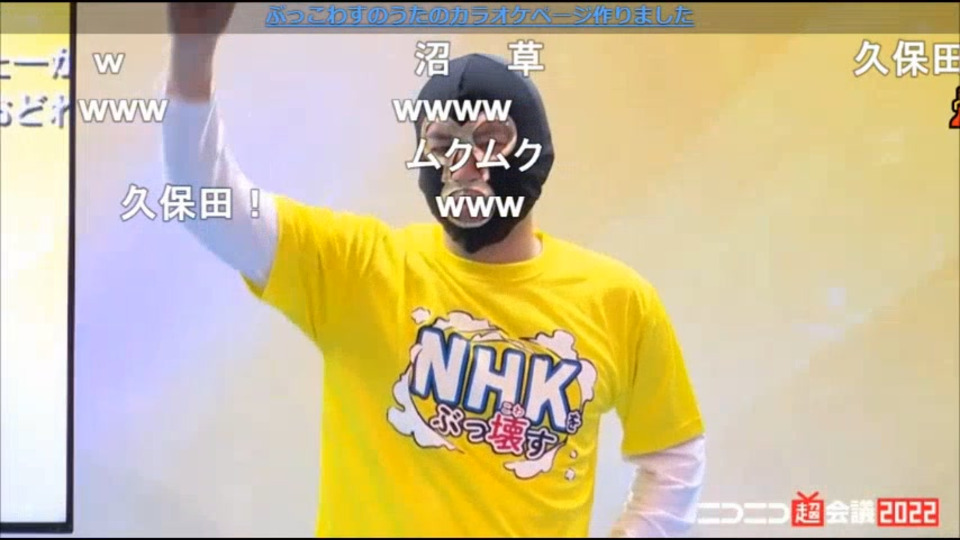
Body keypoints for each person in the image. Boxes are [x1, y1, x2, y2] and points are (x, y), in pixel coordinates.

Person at [163, 4, 706, 537]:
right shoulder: (360, 267)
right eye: (443, 144)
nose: (464, 167)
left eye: (490, 141)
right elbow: (204, 198)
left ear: (535, 152)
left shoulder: (617, 300)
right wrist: (193, 52)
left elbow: (674, 455)